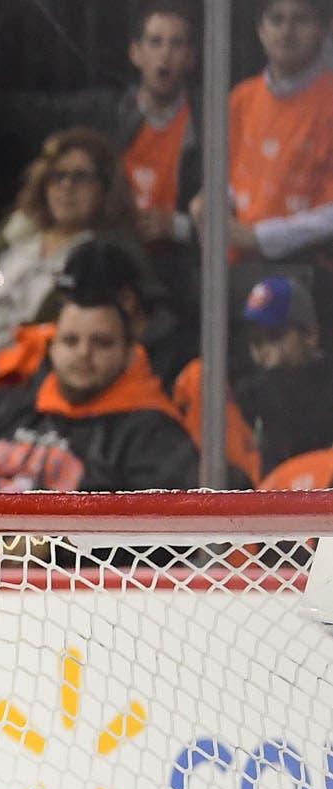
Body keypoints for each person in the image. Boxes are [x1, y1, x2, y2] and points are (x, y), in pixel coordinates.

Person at [0, 8, 202, 245]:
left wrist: (178, 226)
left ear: (191, 57)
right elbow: (11, 111)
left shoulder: (210, 122)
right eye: (156, 42)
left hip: (178, 279)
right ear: (136, 53)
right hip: (103, 261)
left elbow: (245, 209)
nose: (165, 55)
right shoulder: (103, 111)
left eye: (176, 44)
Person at [0, 129, 150, 395]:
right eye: (57, 176)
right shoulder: (12, 236)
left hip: (33, 389)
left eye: (81, 177)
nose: (66, 186)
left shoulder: (108, 257)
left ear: (104, 188)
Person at [0, 281, 199, 498]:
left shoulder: (152, 433)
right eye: (70, 341)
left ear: (129, 354)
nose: (84, 353)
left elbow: (161, 540)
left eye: (101, 342)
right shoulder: (16, 409)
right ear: (51, 348)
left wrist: (50, 546)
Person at [192, 0, 333, 264]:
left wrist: (259, 237)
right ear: (260, 30)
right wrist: (209, 202)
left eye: (300, 20)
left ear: (324, 30)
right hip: (237, 266)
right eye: (276, 19)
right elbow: (232, 179)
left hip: (310, 270)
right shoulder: (241, 98)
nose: (286, 31)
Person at [233, 275, 333, 474]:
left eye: (275, 336)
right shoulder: (247, 394)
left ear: (311, 335)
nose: (264, 351)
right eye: (256, 341)